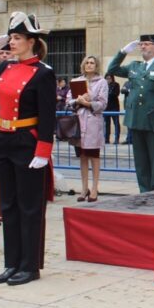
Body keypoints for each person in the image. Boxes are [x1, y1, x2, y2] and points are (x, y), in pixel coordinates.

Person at [0, 12, 56, 286]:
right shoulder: (5, 68)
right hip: (2, 138)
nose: (12, 42)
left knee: (29, 206)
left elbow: (48, 116)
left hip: (26, 141)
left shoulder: (43, 73)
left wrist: (43, 151)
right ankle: (12, 263)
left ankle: (29, 266)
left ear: (32, 41)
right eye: (11, 38)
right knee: (8, 205)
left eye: (17, 37)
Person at [106, 34, 154, 193]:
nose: (143, 46)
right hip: (136, 119)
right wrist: (123, 52)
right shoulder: (134, 66)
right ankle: (144, 191)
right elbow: (112, 70)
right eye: (141, 44)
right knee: (140, 160)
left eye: (147, 44)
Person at [67, 55, 108, 201]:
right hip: (79, 122)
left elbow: (103, 104)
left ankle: (94, 188)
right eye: (87, 63)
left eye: (92, 63)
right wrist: (77, 101)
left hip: (93, 122)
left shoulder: (102, 82)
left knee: (94, 156)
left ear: (96, 66)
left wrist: (88, 103)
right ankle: (84, 188)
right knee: (82, 156)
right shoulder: (76, 81)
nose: (89, 65)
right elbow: (68, 100)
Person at [104, 74, 121, 143]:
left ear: (112, 78)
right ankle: (106, 139)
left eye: (109, 78)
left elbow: (116, 94)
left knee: (116, 123)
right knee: (107, 124)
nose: (108, 80)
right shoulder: (104, 85)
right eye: (106, 78)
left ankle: (116, 139)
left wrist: (108, 93)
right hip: (106, 107)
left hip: (114, 107)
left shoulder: (116, 85)